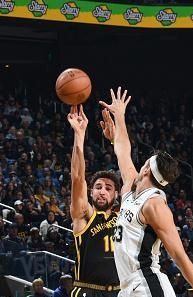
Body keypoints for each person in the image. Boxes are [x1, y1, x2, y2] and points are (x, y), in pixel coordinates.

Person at [99, 87, 193, 297]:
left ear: (147, 168)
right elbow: (123, 149)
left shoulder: (154, 205)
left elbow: (179, 256)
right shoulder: (131, 188)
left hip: (147, 285)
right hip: (129, 288)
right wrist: (119, 116)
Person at [67, 105, 120, 296]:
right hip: (88, 290)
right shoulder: (85, 215)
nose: (102, 192)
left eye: (108, 188)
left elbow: (134, 179)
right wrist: (79, 135)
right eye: (98, 187)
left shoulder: (124, 217)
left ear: (116, 195)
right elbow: (77, 177)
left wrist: (116, 140)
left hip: (119, 291)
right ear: (90, 193)